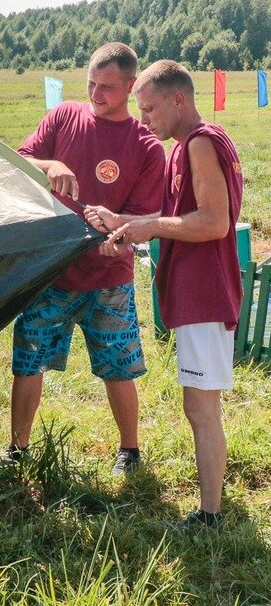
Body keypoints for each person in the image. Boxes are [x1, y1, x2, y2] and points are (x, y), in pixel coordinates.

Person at [84, 60, 243, 530]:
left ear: (179, 99)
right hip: (198, 292)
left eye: (150, 109)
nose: (144, 119)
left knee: (201, 408)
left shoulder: (199, 144)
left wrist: (149, 228)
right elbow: (177, 214)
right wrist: (125, 222)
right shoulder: (186, 146)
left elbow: (214, 222)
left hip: (205, 292)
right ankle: (213, 504)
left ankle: (210, 515)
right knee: (201, 405)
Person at [6, 43, 165, 474]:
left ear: (131, 85)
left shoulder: (147, 147)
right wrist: (49, 164)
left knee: (118, 368)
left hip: (109, 279)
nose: (96, 94)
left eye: (107, 87)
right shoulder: (64, 117)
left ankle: (129, 451)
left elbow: (144, 218)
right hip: (51, 272)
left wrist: (118, 240)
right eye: (91, 83)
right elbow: (19, 161)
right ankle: (17, 449)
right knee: (28, 360)